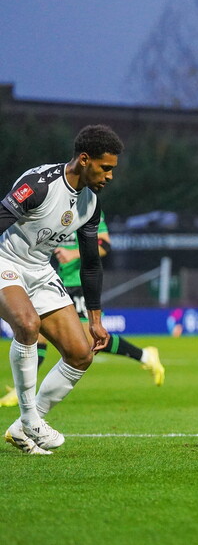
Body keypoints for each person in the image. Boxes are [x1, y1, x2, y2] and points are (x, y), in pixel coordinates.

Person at [1, 125, 123, 454]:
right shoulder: (39, 185)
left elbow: (91, 263)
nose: (110, 176)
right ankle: (30, 420)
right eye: (105, 167)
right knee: (27, 325)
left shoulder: (90, 204)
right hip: (5, 259)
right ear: (85, 160)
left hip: (40, 270)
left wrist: (96, 320)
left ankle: (22, 428)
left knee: (81, 353)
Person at [0, 213, 164, 407]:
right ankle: (23, 391)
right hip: (57, 280)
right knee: (37, 332)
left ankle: (145, 355)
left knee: (88, 342)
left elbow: (104, 245)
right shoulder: (58, 205)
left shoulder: (88, 208)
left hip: (80, 283)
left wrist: (73, 253)